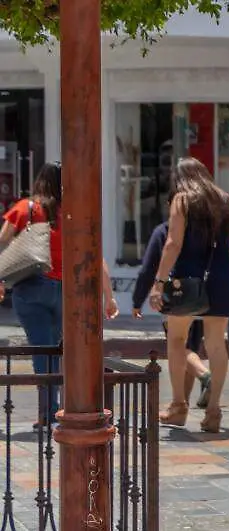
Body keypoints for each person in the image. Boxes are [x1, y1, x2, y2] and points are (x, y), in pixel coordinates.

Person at [0, 162, 119, 427]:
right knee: (64, 350)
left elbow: (2, 240)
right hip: (67, 290)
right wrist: (108, 296)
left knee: (42, 350)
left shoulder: (26, 208)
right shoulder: (75, 212)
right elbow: (95, 255)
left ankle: (48, 411)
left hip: (32, 287)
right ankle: (72, 406)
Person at [148, 158, 229, 433]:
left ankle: (178, 406)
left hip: (186, 279)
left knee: (176, 339)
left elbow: (173, 243)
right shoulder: (227, 201)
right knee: (216, 344)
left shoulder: (182, 201)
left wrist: (159, 282)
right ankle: (213, 412)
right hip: (221, 276)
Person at [131, 221, 213, 409]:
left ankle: (204, 376)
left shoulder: (165, 231)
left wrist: (137, 301)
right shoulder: (203, 229)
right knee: (190, 347)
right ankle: (182, 404)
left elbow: (148, 268)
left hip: (174, 295)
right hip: (200, 294)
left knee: (177, 345)